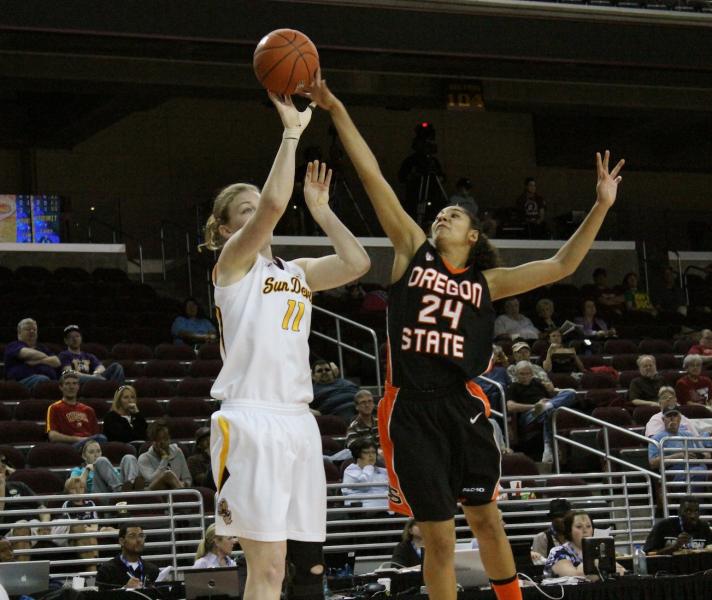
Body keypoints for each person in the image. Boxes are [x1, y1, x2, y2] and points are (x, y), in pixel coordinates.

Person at [307, 71, 624, 600]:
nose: (442, 214)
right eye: (441, 211)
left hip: (462, 404)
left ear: (473, 236)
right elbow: (373, 177)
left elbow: (563, 263)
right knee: (437, 536)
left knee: (487, 521)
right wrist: (336, 108)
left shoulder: (487, 282)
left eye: (454, 214)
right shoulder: (411, 250)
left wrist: (601, 206)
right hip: (410, 408)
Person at [204, 92, 370, 600]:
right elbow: (276, 203)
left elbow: (357, 262)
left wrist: (321, 211)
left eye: (260, 206)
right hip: (250, 417)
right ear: (228, 228)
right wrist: (291, 133)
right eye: (247, 211)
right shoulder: (231, 267)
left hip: (299, 421)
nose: (262, 215)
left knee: (302, 566)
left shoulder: (296, 272)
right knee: (268, 568)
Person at [506, 361, 577, 463]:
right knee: (548, 411)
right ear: (517, 374)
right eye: (522, 374)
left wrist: (551, 392)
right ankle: (545, 409)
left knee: (570, 393)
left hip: (545, 408)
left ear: (532, 373)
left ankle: (547, 408)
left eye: (528, 373)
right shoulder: (513, 387)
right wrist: (534, 406)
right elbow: (510, 407)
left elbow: (551, 396)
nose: (525, 376)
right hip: (528, 414)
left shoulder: (537, 383)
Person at [545, 511, 624, 578]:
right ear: (569, 531)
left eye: (588, 526)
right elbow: (575, 576)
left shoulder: (598, 550)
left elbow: (621, 571)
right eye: (579, 527)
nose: (585, 530)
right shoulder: (558, 552)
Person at [648, 405, 709, 483]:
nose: (672, 418)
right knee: (698, 472)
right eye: (669, 416)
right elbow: (652, 463)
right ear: (663, 419)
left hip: (696, 467)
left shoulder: (689, 435)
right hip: (675, 472)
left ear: (679, 419)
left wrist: (699, 455)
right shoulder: (656, 438)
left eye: (675, 415)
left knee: (700, 471)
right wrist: (679, 456)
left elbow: (706, 454)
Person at [46, 371, 107, 447]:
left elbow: (95, 435)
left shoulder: (88, 410)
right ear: (61, 387)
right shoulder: (54, 408)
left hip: (90, 447)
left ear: (78, 387)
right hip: (70, 447)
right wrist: (79, 439)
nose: (71, 387)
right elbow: (53, 436)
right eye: (67, 384)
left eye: (74, 383)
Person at [96, 525, 160, 590]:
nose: (138, 540)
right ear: (121, 541)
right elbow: (97, 597)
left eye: (141, 536)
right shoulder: (106, 570)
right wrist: (125, 589)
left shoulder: (153, 570)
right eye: (132, 536)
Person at [3, 318, 60, 390]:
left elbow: (56, 362)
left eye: (34, 329)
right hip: (20, 383)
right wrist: (46, 358)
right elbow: (26, 353)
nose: (32, 331)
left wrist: (37, 361)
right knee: (43, 381)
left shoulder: (42, 347)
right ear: (19, 332)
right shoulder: (13, 345)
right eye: (28, 329)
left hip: (49, 381)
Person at [70, 439, 143, 494]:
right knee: (101, 460)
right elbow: (73, 486)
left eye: (98, 451)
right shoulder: (78, 470)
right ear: (84, 456)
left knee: (129, 457)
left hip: (121, 490)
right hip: (100, 495)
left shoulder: (108, 467)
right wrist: (87, 470)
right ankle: (120, 491)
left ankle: (133, 484)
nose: (96, 455)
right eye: (91, 452)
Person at [643, 496, 712, 554]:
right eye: (688, 511)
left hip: (698, 569)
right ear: (679, 512)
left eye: (696, 511)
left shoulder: (704, 527)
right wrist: (674, 547)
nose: (693, 515)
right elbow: (649, 554)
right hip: (667, 568)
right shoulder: (663, 526)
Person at [58, 325, 125, 384]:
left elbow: (101, 368)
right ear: (65, 341)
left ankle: (118, 393)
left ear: (81, 338)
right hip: (77, 381)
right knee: (72, 377)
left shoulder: (88, 356)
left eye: (77, 336)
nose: (75, 339)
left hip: (93, 379)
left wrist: (96, 373)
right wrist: (94, 377)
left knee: (116, 366)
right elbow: (69, 373)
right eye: (71, 337)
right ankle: (105, 383)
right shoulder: (64, 355)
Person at [137, 419, 191, 490]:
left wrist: (185, 483)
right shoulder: (144, 458)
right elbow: (151, 480)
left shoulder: (178, 452)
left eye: (165, 438)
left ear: (170, 438)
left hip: (175, 489)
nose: (162, 442)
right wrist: (164, 458)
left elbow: (187, 478)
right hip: (154, 493)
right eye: (158, 439)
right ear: (152, 441)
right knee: (168, 475)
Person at [341, 438, 389, 510]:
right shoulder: (350, 470)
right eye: (366, 452)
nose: (371, 455)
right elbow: (365, 485)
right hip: (361, 512)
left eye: (373, 452)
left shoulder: (383, 471)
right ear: (358, 455)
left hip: (386, 510)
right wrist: (368, 467)